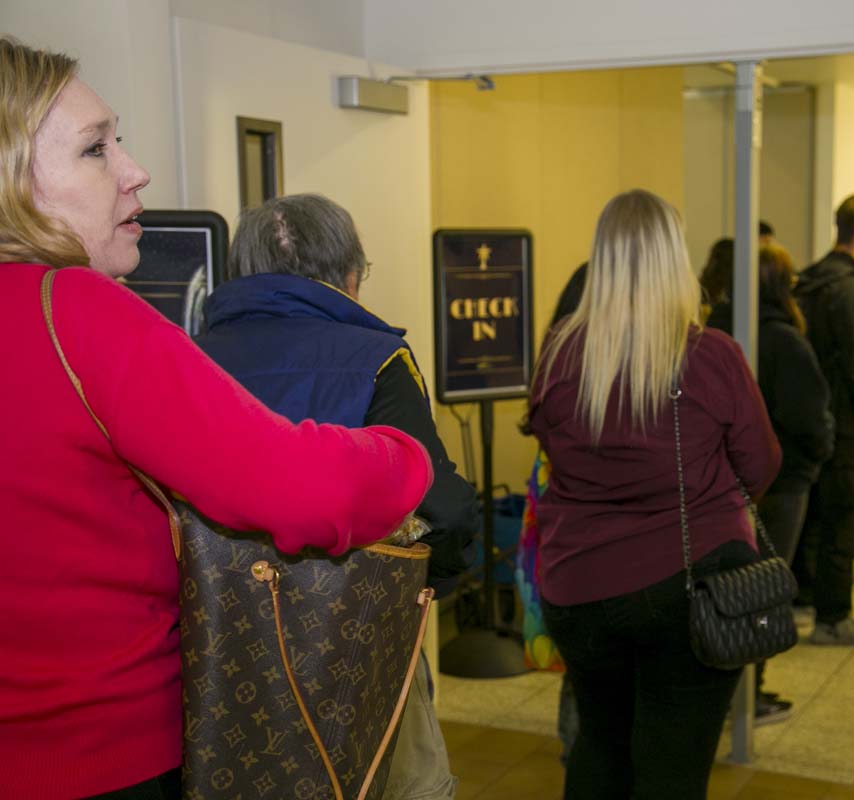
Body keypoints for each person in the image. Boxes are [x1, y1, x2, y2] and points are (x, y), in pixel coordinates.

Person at [0, 39, 433, 800]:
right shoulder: (74, 312)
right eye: (97, 149)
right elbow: (302, 489)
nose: (136, 171)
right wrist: (404, 456)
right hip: (101, 758)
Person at [193, 193, 477, 800]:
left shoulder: (183, 357)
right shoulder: (376, 360)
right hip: (354, 636)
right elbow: (442, 508)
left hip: (213, 643)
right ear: (349, 277)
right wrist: (433, 585)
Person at [528, 189, 780, 798]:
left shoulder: (560, 351)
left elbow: (547, 443)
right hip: (689, 589)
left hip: (579, 585)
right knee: (673, 765)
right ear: (676, 259)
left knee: (601, 744)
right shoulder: (712, 355)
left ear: (603, 259)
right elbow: (762, 465)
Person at [706, 244, 833, 724]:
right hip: (780, 486)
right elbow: (810, 421)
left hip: (720, 485)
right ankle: (748, 695)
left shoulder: (710, 331)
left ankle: (729, 692)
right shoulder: (785, 339)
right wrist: (813, 462)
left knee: (725, 591)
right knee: (762, 593)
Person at [791, 194, 854, 647]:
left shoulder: (808, 281)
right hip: (849, 425)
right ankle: (835, 617)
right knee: (846, 519)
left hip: (814, 418)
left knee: (814, 516)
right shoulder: (850, 289)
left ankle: (807, 599)